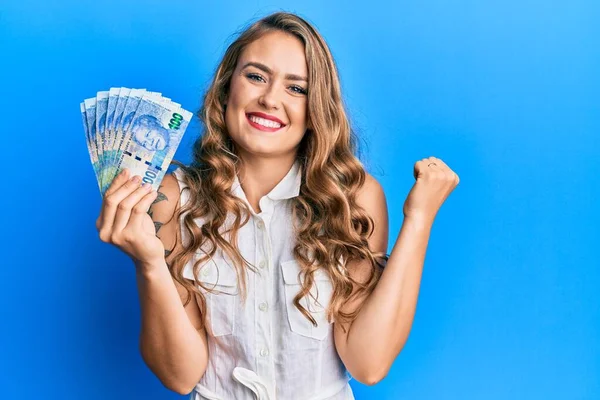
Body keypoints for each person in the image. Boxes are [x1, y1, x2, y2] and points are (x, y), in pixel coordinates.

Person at [95, 11, 459, 400]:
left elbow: (368, 364)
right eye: (256, 76)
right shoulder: (174, 200)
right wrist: (148, 265)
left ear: (316, 108)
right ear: (226, 88)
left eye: (296, 88)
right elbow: (180, 376)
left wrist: (418, 221)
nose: (270, 99)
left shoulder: (353, 198)